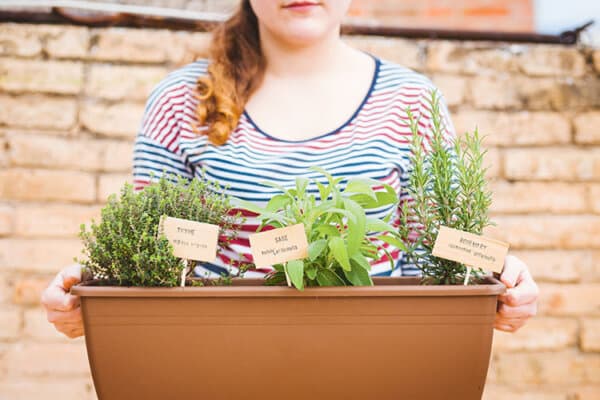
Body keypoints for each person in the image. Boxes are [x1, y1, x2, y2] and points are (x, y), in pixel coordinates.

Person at [41, 0, 539, 338]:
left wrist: (498, 277)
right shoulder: (182, 100)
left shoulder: (409, 101)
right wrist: (95, 289)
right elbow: (158, 256)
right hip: (216, 361)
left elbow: (439, 243)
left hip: (381, 357)